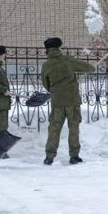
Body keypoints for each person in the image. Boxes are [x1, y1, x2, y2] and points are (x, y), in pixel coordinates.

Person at [41, 37, 95, 165]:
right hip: (72, 101)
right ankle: (74, 156)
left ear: (47, 50)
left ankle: (49, 156)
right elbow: (90, 68)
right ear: (59, 48)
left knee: (54, 129)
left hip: (57, 102)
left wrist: (55, 90)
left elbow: (45, 83)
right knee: (74, 128)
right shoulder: (68, 60)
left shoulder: (46, 65)